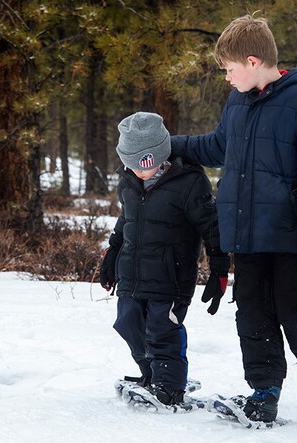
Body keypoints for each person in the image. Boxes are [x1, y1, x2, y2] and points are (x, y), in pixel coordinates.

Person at [169, 14, 297, 422]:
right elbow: (217, 146)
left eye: (229, 70)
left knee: (295, 307)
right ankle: (263, 393)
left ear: (252, 61)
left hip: (291, 232)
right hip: (246, 233)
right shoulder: (238, 101)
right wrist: (169, 145)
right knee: (251, 311)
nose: (227, 78)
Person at [98, 111, 231, 407]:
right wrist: (113, 251)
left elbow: (211, 227)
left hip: (171, 276)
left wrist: (219, 267)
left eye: (145, 164)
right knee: (128, 323)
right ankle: (151, 374)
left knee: (162, 330)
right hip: (132, 273)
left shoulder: (189, 182)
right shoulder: (128, 182)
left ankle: (169, 387)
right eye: (132, 165)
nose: (140, 171)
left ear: (160, 155)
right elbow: (126, 220)